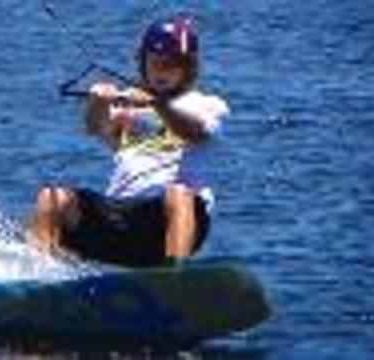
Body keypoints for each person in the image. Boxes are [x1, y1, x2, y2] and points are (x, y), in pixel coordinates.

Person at [29, 15, 229, 267]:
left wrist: (158, 105)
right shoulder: (128, 110)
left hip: (167, 223)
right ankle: (39, 274)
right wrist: (97, 102)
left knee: (178, 194)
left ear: (187, 68)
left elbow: (194, 132)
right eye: (155, 63)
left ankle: (175, 277)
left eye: (171, 65)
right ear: (143, 62)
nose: (162, 71)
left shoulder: (207, 105)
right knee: (52, 197)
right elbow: (95, 127)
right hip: (122, 219)